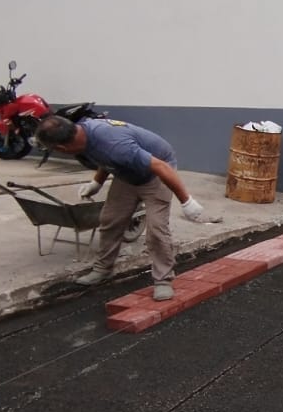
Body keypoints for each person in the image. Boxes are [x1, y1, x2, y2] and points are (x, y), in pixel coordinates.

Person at [36, 115, 209, 301]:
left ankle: (163, 280)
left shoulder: (113, 143)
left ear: (62, 148)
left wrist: (186, 201)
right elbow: (105, 158)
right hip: (126, 174)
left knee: (157, 229)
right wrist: (97, 182)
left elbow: (160, 166)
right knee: (110, 219)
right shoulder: (82, 135)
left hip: (156, 174)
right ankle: (103, 269)